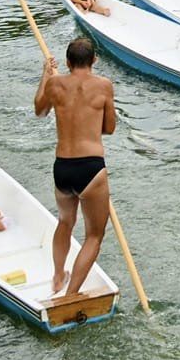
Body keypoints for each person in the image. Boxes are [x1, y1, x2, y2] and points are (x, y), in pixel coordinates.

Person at [34, 36, 118, 301]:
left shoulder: (55, 83)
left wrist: (45, 75)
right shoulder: (103, 85)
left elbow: (40, 110)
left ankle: (58, 274)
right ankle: (70, 294)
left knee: (65, 222)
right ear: (94, 60)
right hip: (91, 168)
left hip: (62, 168)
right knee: (94, 235)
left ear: (68, 62)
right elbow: (109, 128)